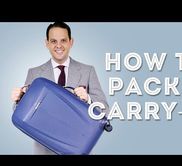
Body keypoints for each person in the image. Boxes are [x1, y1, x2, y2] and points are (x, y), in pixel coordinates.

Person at [11, 22, 109, 154]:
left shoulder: (87, 71)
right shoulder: (34, 73)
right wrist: (18, 100)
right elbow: (23, 114)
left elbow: (106, 110)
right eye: (53, 41)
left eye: (63, 40)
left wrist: (89, 99)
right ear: (47, 43)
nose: (58, 45)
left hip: (79, 146)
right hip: (44, 151)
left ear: (71, 42)